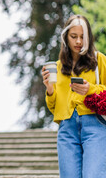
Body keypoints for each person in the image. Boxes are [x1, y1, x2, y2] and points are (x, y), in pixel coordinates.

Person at [42, 15, 106, 177]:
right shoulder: (57, 67)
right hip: (67, 129)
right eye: (74, 36)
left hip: (95, 126)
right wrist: (49, 89)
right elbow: (53, 107)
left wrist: (90, 89)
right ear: (65, 37)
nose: (78, 42)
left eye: (83, 37)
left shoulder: (100, 61)